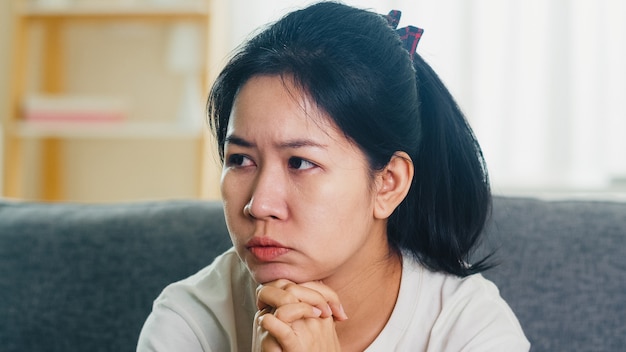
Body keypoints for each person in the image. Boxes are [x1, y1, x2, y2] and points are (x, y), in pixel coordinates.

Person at [137, 2, 530, 351]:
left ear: (388, 183)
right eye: (240, 159)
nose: (260, 204)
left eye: (300, 162)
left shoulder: (469, 327)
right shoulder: (188, 321)